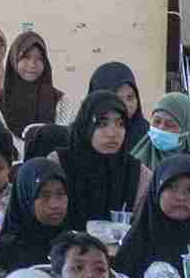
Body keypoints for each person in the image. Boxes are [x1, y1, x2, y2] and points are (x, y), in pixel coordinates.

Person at [58, 89, 152, 229]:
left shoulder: (138, 173)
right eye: (102, 124)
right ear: (86, 125)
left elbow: (143, 231)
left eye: (120, 124)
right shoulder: (59, 164)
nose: (112, 134)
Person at [0, 159, 69, 273]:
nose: (54, 204)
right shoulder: (7, 253)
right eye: (44, 195)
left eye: (60, 194)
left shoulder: (73, 245)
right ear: (26, 198)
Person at [0, 31, 75, 136]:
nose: (32, 64)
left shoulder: (61, 102)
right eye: (26, 57)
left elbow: (61, 139)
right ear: (14, 59)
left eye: (39, 58)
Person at [87, 61, 148, 149]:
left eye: (130, 97)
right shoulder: (76, 137)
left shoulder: (148, 136)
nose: (127, 105)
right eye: (117, 99)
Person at [131, 91, 190, 171]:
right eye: (157, 121)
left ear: (185, 131)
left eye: (170, 125)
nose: (161, 128)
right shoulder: (135, 162)